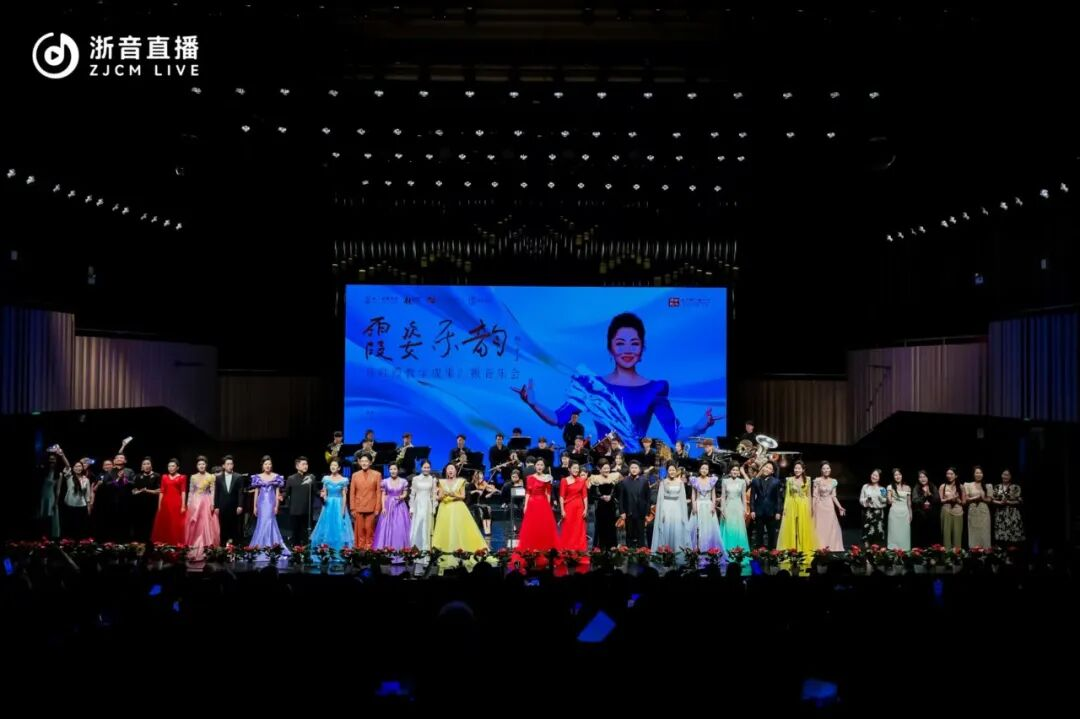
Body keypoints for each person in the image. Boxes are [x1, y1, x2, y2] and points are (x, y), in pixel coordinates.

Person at [514, 312, 716, 452]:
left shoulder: (654, 389)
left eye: (634, 343)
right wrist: (533, 403)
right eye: (620, 343)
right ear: (610, 348)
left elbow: (677, 435)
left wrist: (700, 426)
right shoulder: (592, 386)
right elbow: (558, 418)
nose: (627, 350)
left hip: (634, 464)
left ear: (642, 349)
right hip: (602, 463)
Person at [431, 464, 486, 553]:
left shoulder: (461, 481)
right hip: (445, 507)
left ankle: (460, 548)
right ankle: (444, 548)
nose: (450, 470)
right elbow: (440, 497)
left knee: (459, 528)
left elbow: (463, 496)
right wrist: (442, 495)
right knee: (446, 529)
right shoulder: (442, 482)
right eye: (448, 469)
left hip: (457, 506)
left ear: (456, 471)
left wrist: (454, 495)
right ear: (446, 471)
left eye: (452, 469)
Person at [777, 460, 816, 573]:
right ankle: (792, 551)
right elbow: (788, 495)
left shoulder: (808, 479)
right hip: (792, 505)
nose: (797, 470)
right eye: (795, 468)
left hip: (803, 506)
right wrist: (785, 508)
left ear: (803, 469)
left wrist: (810, 508)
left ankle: (803, 551)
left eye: (799, 468)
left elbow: (809, 495)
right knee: (791, 529)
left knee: (803, 528)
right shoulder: (789, 480)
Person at [309, 459, 352, 552]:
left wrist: (343, 509)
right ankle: (325, 548)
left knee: (338, 525)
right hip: (328, 504)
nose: (333, 467)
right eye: (331, 465)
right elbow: (324, 492)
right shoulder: (326, 479)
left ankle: (338, 548)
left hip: (339, 504)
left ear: (339, 468)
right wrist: (323, 496)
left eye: (335, 465)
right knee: (327, 525)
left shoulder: (344, 480)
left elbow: (344, 496)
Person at [518, 458, 559, 551]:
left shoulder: (547, 478)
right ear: (535, 466)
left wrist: (548, 506)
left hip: (543, 503)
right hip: (532, 504)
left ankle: (543, 547)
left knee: (542, 526)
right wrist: (525, 505)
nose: (539, 467)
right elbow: (528, 492)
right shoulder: (529, 478)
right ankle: (532, 547)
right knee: (532, 526)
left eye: (541, 465)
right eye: (538, 465)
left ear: (544, 467)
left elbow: (548, 492)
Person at [249, 456, 288, 552]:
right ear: (262, 465)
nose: (268, 466)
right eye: (266, 464)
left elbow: (277, 492)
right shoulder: (258, 477)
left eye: (269, 464)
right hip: (261, 503)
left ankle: (271, 545)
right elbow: (256, 492)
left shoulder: (276, 477)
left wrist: (277, 506)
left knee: (270, 521)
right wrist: (254, 507)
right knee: (261, 522)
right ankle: (260, 546)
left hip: (271, 503)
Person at [185, 456, 220, 559]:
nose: (201, 466)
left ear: (206, 465)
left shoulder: (211, 476)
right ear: (197, 466)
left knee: (205, 523)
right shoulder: (193, 477)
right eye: (199, 464)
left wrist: (212, 503)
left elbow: (213, 491)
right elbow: (191, 491)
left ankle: (206, 544)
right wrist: (188, 504)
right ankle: (193, 544)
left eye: (203, 464)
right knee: (195, 523)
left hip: (206, 501)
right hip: (195, 502)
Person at [650, 468, 688, 555]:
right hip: (666, 506)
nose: (672, 472)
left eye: (673, 470)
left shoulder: (680, 482)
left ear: (676, 471)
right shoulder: (663, 482)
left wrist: (683, 511)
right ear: (667, 471)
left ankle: (677, 551)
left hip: (677, 506)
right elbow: (660, 498)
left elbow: (682, 497)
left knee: (677, 527)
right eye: (670, 470)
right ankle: (665, 550)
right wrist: (662, 511)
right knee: (666, 527)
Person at [687, 465, 724, 555]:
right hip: (698, 504)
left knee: (709, 527)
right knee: (697, 526)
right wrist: (694, 505)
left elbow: (713, 494)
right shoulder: (695, 480)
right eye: (702, 468)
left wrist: (713, 506)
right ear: (699, 469)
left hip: (708, 505)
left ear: (708, 470)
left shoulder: (712, 480)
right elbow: (693, 494)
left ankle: (708, 548)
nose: (704, 470)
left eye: (706, 469)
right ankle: (697, 548)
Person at [373, 464, 411, 550]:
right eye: (391, 469)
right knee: (386, 527)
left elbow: (405, 493)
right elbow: (383, 495)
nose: (393, 471)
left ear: (398, 470)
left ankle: (400, 548)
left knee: (400, 527)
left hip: (400, 506)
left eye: (394, 469)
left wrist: (400, 497)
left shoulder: (403, 481)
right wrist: (383, 507)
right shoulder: (385, 481)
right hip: (388, 505)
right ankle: (386, 549)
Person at [349, 454, 382, 549]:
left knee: (369, 530)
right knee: (360, 531)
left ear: (370, 462)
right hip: (358, 507)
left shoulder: (377, 475)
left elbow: (379, 493)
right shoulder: (355, 475)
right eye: (362, 461)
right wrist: (352, 508)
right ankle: (360, 551)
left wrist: (377, 508)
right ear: (359, 462)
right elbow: (352, 493)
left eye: (366, 461)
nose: (364, 463)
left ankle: (369, 551)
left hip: (371, 507)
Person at [151, 459, 187, 545]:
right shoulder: (164, 477)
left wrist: (183, 505)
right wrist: (159, 505)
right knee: (165, 522)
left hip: (176, 503)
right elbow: (162, 491)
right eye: (169, 466)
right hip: (165, 503)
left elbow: (183, 491)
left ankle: (175, 543)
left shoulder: (182, 477)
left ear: (177, 468)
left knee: (175, 523)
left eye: (173, 466)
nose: (170, 468)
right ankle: (164, 543)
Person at [616, 459, 652, 548]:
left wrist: (647, 512)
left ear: (639, 469)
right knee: (629, 534)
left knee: (641, 535)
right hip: (629, 512)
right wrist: (622, 511)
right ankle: (630, 553)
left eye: (636, 468)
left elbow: (648, 498)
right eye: (632, 468)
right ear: (629, 469)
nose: (634, 469)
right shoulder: (624, 481)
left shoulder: (644, 481)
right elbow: (621, 498)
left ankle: (641, 553)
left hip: (641, 512)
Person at [719, 464, 751, 559]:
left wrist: (745, 510)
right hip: (728, 506)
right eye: (733, 470)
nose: (735, 472)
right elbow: (723, 497)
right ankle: (728, 551)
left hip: (738, 507)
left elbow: (744, 497)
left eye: (737, 470)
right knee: (729, 528)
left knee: (738, 529)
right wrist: (722, 509)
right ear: (730, 471)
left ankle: (739, 552)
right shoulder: (725, 481)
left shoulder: (742, 482)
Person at [812, 461, 845, 551]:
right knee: (820, 527)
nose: (826, 470)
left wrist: (839, 507)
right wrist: (812, 508)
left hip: (829, 506)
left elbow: (833, 496)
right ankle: (820, 547)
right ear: (821, 470)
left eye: (828, 468)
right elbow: (814, 496)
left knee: (830, 526)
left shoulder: (833, 481)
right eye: (824, 468)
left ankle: (829, 546)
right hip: (819, 506)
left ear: (830, 469)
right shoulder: (817, 480)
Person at [749, 461, 783, 549]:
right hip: (759, 511)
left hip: (771, 512)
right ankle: (758, 553)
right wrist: (752, 510)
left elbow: (779, 498)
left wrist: (778, 511)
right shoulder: (755, 481)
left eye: (770, 468)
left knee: (772, 535)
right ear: (762, 467)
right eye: (766, 467)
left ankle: (772, 554)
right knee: (758, 535)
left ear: (772, 471)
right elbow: (752, 497)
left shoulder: (776, 482)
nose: (767, 469)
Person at [559, 463, 590, 557]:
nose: (576, 470)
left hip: (579, 508)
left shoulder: (581, 480)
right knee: (568, 528)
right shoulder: (564, 480)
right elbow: (561, 496)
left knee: (579, 529)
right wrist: (562, 510)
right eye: (574, 468)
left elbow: (585, 496)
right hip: (568, 507)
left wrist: (585, 509)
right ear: (569, 469)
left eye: (577, 468)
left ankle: (579, 551)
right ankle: (567, 550)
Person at [285, 456, 316, 545]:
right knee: (295, 534)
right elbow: (286, 493)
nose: (305, 466)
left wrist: (322, 494)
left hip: (307, 511)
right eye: (303, 464)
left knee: (306, 534)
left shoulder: (311, 478)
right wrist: (281, 496)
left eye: (306, 464)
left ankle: (306, 551)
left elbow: (316, 491)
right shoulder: (291, 478)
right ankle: (296, 550)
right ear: (297, 466)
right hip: (295, 511)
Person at [213, 455, 244, 545]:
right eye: (228, 464)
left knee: (235, 526)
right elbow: (217, 493)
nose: (230, 466)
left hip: (234, 506)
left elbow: (240, 492)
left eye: (231, 464)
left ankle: (235, 546)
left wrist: (240, 505)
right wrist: (216, 506)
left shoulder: (238, 477)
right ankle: (223, 546)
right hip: (222, 505)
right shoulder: (218, 478)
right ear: (223, 466)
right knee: (223, 526)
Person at [589, 461, 620, 549]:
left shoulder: (614, 478)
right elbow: (592, 495)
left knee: (611, 527)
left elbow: (617, 492)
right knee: (601, 527)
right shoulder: (594, 479)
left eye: (608, 468)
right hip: (600, 507)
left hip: (611, 507)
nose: (607, 470)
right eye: (604, 468)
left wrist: (611, 497)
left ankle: (612, 547)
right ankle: (600, 548)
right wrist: (601, 497)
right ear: (600, 469)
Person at [989, 469, 1024, 545]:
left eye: (1007, 475)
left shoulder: (1016, 487)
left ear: (1010, 477)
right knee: (1001, 538)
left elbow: (1020, 501)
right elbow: (991, 500)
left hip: (1012, 514)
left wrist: (1008, 502)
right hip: (1000, 514)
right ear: (1001, 475)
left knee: (1012, 537)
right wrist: (1000, 502)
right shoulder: (997, 487)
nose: (1005, 476)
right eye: (1004, 474)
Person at [59, 459, 92, 539]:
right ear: (73, 468)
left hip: (81, 505)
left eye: (80, 466)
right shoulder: (69, 476)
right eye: (76, 466)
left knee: (80, 526)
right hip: (69, 504)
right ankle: (68, 541)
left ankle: (79, 542)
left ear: (82, 468)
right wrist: (62, 455)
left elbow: (87, 494)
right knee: (69, 525)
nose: (78, 468)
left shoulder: (86, 479)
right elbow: (67, 466)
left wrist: (88, 507)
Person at [408, 461, 437, 552]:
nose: (426, 469)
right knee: (416, 525)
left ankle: (425, 550)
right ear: (421, 468)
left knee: (426, 527)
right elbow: (412, 494)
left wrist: (434, 507)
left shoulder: (433, 479)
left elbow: (434, 495)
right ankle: (414, 550)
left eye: (428, 467)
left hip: (427, 505)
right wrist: (411, 508)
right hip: (417, 504)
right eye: (424, 467)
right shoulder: (415, 479)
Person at [131, 457, 161, 543]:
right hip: (140, 505)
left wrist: (146, 490)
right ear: (142, 467)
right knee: (140, 523)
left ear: (151, 466)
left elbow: (159, 491)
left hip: (152, 504)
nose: (146, 465)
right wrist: (137, 491)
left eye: (148, 464)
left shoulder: (157, 476)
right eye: (144, 464)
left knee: (151, 524)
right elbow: (134, 490)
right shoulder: (138, 476)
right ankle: (139, 542)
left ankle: (151, 542)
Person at [964, 465, 992, 548]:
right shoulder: (968, 485)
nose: (978, 474)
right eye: (977, 473)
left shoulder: (988, 486)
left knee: (984, 534)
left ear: (983, 474)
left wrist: (983, 499)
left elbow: (989, 500)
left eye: (980, 473)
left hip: (984, 513)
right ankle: (974, 552)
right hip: (973, 512)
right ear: (973, 474)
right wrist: (975, 498)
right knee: (973, 534)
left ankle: (986, 552)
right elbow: (966, 499)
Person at [911, 470, 940, 547]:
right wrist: (924, 496)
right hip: (920, 515)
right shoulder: (916, 487)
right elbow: (914, 501)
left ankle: (931, 551)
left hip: (932, 515)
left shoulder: (932, 486)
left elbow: (937, 500)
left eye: (924, 477)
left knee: (931, 536)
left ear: (927, 477)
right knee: (921, 536)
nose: (922, 479)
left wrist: (930, 494)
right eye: (920, 477)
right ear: (918, 479)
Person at [859, 469, 887, 546]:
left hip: (878, 513)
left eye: (876, 476)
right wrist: (867, 500)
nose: (874, 477)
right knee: (866, 533)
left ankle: (876, 552)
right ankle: (867, 551)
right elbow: (861, 500)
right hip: (868, 512)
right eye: (873, 475)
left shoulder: (882, 489)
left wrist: (881, 499)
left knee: (877, 533)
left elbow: (885, 502)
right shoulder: (865, 486)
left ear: (879, 478)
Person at [886, 468, 912, 551]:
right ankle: (893, 553)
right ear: (893, 477)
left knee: (904, 534)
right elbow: (889, 501)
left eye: (899, 474)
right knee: (894, 534)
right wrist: (889, 499)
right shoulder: (890, 487)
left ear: (902, 475)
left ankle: (904, 553)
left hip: (905, 513)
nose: (897, 476)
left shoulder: (907, 487)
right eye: (895, 475)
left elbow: (909, 503)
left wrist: (910, 513)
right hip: (894, 513)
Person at [939, 467, 964, 550]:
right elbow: (940, 500)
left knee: (957, 534)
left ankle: (956, 554)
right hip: (946, 511)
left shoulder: (961, 487)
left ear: (956, 475)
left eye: (951, 474)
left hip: (958, 512)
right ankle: (947, 554)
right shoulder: (943, 486)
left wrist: (958, 500)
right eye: (947, 474)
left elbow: (964, 502)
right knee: (946, 534)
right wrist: (949, 499)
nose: (949, 475)